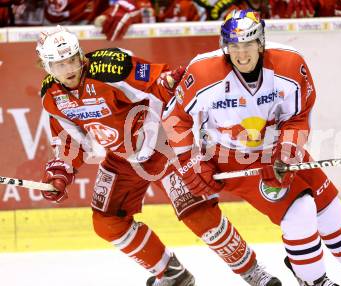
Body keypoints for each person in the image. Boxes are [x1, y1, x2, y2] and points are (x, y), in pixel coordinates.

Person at [163, 9, 341, 286]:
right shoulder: (203, 73)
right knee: (299, 209)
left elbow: (298, 117)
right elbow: (174, 118)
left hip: (276, 149)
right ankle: (314, 280)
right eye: (234, 46)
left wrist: (287, 152)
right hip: (227, 157)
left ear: (260, 42)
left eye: (248, 44)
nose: (241, 54)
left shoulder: (290, 65)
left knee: (328, 206)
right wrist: (192, 164)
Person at [36, 25, 281, 286]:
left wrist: (168, 83)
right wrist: (59, 174)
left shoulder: (110, 67)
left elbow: (158, 82)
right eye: (60, 64)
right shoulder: (50, 95)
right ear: (46, 66)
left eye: (73, 60)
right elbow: (70, 142)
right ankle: (172, 274)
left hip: (164, 145)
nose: (70, 69)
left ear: (81, 56)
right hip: (122, 159)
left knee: (199, 214)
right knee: (106, 223)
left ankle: (253, 272)